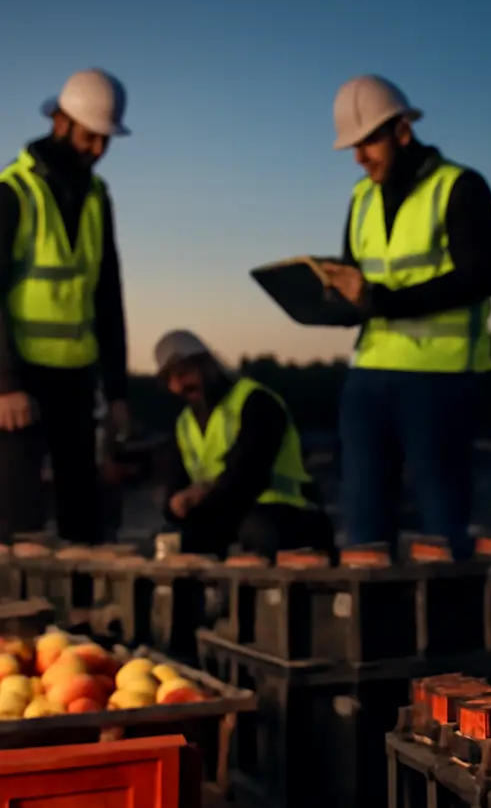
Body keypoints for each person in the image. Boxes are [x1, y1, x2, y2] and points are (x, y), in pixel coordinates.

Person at [319, 75, 491, 562]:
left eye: (368, 142)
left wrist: (376, 299)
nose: (359, 157)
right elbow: (363, 291)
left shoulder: (460, 187)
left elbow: (481, 276)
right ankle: (372, 630)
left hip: (440, 379)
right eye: (353, 146)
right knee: (363, 528)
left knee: (444, 527)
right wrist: (329, 298)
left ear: (402, 131)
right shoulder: (361, 199)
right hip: (369, 377)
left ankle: (454, 628)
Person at [0, 69, 131, 544]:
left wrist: (116, 392)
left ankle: (80, 617)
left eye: (105, 140)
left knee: (85, 519)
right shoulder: (13, 192)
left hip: (77, 381)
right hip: (22, 383)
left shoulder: (98, 197)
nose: (98, 149)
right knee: (20, 519)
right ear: (61, 122)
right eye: (90, 136)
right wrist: (5, 383)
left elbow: (107, 297)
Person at [155, 330, 335, 559]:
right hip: (224, 513)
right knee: (173, 540)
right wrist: (176, 504)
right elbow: (175, 485)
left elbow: (249, 474)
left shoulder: (256, 402)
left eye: (184, 373)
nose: (179, 385)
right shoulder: (183, 425)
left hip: (286, 511)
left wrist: (203, 495)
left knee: (255, 527)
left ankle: (270, 593)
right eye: (170, 380)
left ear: (208, 365)